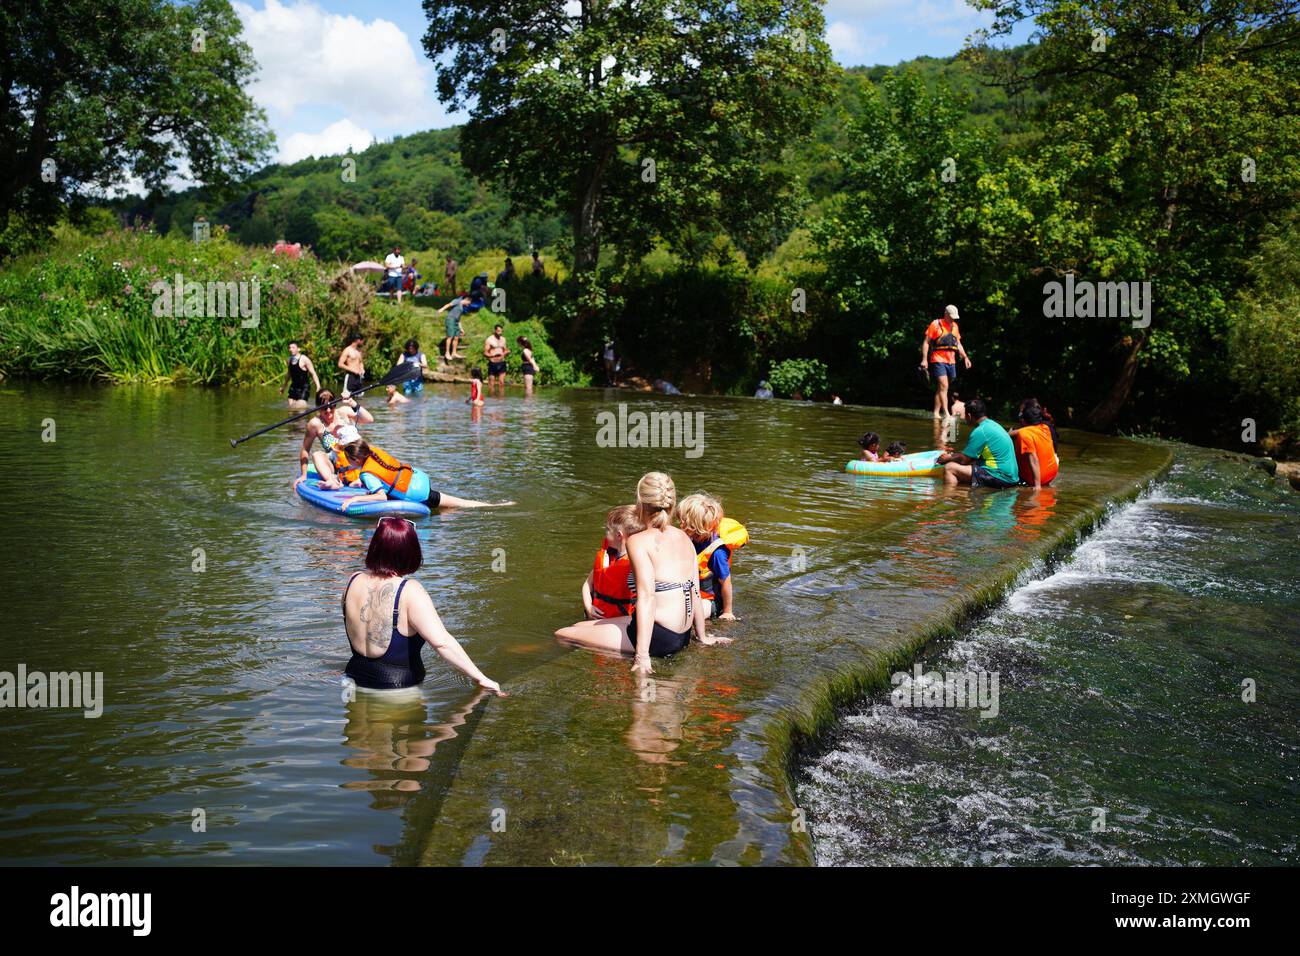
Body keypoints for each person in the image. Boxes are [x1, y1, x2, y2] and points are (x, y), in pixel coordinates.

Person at [554, 472, 731, 672]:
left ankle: (615, 666)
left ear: (640, 503)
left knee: (563, 634)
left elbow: (646, 598)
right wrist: (702, 636)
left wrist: (642, 656)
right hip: (681, 635)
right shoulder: (683, 536)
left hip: (659, 638)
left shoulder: (638, 541)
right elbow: (694, 591)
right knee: (579, 626)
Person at [341, 517, 502, 693]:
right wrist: (481, 678)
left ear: (375, 547)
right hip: (397, 690)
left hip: (353, 680)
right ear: (409, 552)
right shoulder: (410, 590)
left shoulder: (353, 580)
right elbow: (442, 643)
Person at [335, 440, 513, 511]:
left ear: (356, 459)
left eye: (349, 460)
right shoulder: (372, 450)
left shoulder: (367, 474)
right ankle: (496, 504)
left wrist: (355, 499)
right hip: (417, 478)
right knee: (454, 504)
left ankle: (495, 506)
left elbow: (380, 496)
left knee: (460, 505)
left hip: (416, 493)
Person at [677, 493, 748, 621]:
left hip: (709, 601)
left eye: (683, 521)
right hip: (689, 593)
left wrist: (727, 611)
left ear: (696, 527)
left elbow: (726, 582)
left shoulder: (716, 553)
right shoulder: (689, 539)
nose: (680, 524)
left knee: (690, 615)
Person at [295, 388, 374, 490]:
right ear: (318, 408)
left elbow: (369, 419)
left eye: (331, 406)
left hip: (356, 460)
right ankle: (333, 482)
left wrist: (352, 402)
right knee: (317, 455)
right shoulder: (315, 424)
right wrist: (304, 475)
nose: (328, 411)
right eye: (324, 407)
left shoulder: (344, 412)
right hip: (336, 466)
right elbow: (305, 450)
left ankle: (360, 478)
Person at [936, 398, 1020, 489]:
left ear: (969, 415)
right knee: (968, 466)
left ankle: (950, 498)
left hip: (999, 476)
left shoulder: (980, 431)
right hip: (1012, 477)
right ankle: (964, 493)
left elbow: (964, 460)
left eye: (965, 416)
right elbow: (971, 457)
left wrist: (948, 458)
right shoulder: (993, 425)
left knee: (950, 468)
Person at [581, 505, 642, 620]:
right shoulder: (609, 556)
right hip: (596, 616)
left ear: (619, 535)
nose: (605, 533)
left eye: (608, 530)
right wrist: (589, 607)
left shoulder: (634, 564)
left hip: (621, 621)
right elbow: (587, 585)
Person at [919, 304, 972, 420]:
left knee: (941, 388)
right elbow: (926, 342)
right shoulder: (935, 324)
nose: (953, 319)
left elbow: (958, 344)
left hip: (951, 361)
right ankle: (947, 413)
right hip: (938, 359)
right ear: (946, 314)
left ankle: (936, 412)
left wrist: (965, 357)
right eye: (951, 316)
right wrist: (924, 359)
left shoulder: (955, 326)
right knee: (944, 386)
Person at [1009, 398, 1060, 489]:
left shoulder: (1024, 434)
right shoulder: (1045, 427)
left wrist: (1037, 486)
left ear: (1023, 420)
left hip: (1036, 479)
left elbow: (1033, 458)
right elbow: (1020, 431)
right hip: (1052, 473)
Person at [285, 342, 321, 408]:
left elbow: (313, 373)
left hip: (304, 387)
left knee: (300, 408)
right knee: (291, 409)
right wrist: (284, 386)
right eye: (290, 348)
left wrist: (318, 386)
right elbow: (289, 374)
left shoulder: (304, 359)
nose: (291, 349)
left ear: (298, 349)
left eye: (293, 347)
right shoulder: (289, 360)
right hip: (293, 387)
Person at [438, 294, 470, 362]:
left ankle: (454, 353)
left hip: (456, 322)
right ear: (467, 299)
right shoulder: (457, 301)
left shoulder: (462, 307)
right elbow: (449, 304)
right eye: (469, 303)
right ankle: (447, 353)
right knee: (450, 336)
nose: (469, 304)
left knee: (456, 337)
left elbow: (458, 319)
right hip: (450, 320)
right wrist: (442, 309)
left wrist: (461, 328)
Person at [484, 324, 509, 395]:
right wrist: (492, 356)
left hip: (502, 362)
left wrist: (506, 352)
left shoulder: (503, 339)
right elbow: (485, 352)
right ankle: (492, 398)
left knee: (501, 382)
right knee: (491, 382)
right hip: (493, 362)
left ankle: (501, 399)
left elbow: (505, 350)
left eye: (501, 331)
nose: (500, 333)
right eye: (498, 331)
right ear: (495, 330)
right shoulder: (489, 339)